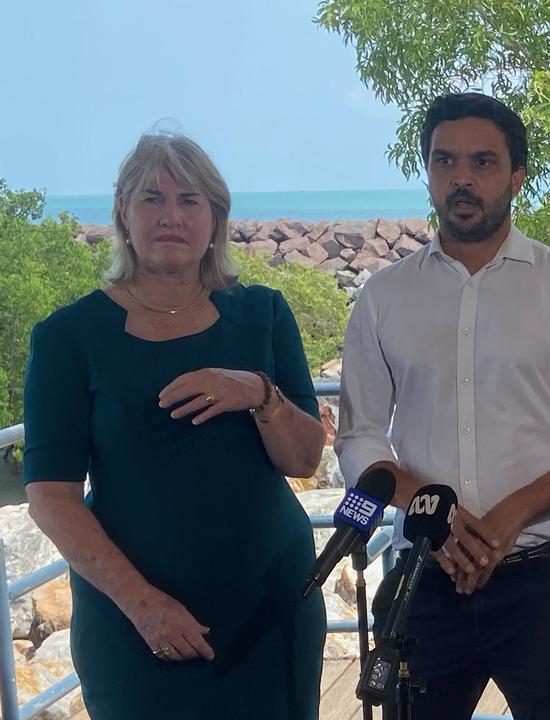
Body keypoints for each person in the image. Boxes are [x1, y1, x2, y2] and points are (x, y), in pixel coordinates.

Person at [335, 92, 550, 720]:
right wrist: (433, 513)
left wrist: (508, 518)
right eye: (444, 161)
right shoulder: (383, 297)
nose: (462, 178)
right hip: (422, 582)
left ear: (517, 176)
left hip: (542, 584)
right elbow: (359, 438)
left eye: (483, 162)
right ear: (429, 173)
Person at [22, 131, 328, 719]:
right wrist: (144, 605)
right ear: (123, 215)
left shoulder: (263, 313)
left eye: (190, 200)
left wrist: (258, 392)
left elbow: (305, 459)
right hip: (136, 627)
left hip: (272, 610)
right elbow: (51, 498)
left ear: (215, 219)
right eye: (151, 198)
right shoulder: (68, 337)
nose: (171, 216)